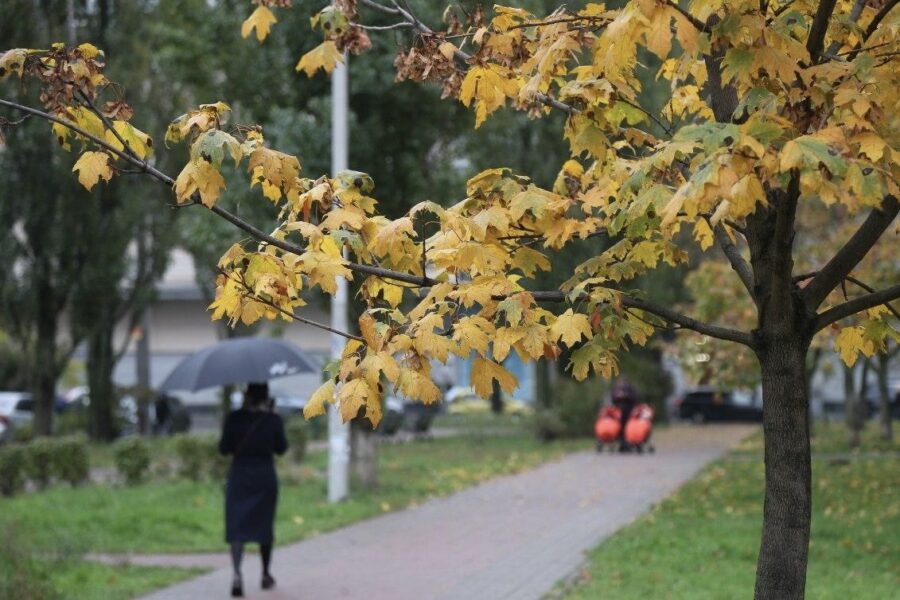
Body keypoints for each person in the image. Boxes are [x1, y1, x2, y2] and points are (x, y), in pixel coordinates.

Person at [219, 382, 288, 597]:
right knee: (263, 525)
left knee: (237, 526)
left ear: (246, 395)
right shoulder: (272, 420)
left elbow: (223, 449)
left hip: (239, 477)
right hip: (264, 477)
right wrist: (271, 416)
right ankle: (265, 574)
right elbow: (282, 448)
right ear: (266, 397)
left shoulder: (234, 418)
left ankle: (237, 574)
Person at [610, 379, 638, 451]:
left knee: (628, 428)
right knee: (619, 428)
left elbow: (634, 398)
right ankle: (622, 444)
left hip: (629, 412)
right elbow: (613, 398)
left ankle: (629, 443)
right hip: (618, 413)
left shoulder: (630, 390)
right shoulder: (616, 390)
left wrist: (626, 396)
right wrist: (618, 396)